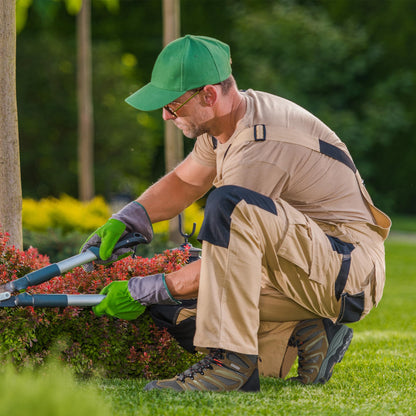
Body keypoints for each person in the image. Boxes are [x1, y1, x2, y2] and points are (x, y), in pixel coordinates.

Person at [81, 35, 391, 392]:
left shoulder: (260, 144)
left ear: (209, 95)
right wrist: (130, 217)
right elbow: (185, 181)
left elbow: (223, 256)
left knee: (226, 210)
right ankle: (307, 332)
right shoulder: (224, 125)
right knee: (173, 302)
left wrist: (150, 287)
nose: (165, 115)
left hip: (347, 270)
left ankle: (233, 365)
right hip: (304, 268)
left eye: (172, 105)